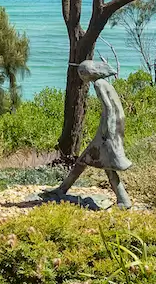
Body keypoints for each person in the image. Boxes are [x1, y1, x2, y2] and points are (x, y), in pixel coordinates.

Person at [45, 58, 131, 208]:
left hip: (107, 131)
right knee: (93, 162)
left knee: (95, 162)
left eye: (81, 73)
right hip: (111, 128)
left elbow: (109, 108)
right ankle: (62, 189)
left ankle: (123, 200)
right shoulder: (105, 83)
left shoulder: (98, 84)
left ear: (86, 74)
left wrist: (107, 132)